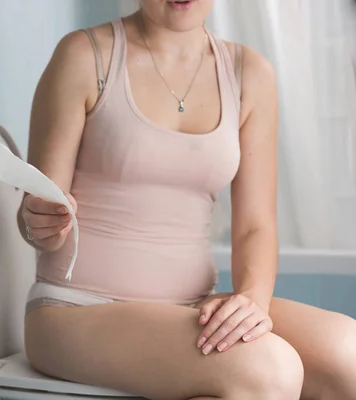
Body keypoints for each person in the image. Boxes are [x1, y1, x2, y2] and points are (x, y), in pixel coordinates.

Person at [18, 1, 356, 399]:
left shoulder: (250, 74)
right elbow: (39, 219)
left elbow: (255, 225)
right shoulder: (84, 55)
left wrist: (252, 300)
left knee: (347, 354)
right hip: (75, 310)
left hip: (191, 307)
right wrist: (38, 220)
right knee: (269, 370)